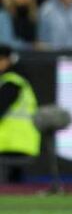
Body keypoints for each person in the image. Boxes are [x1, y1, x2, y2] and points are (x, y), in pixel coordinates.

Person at [0, 45, 39, 183]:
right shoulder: (18, 80)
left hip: (10, 143)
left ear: (6, 60)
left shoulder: (11, 82)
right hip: (20, 142)